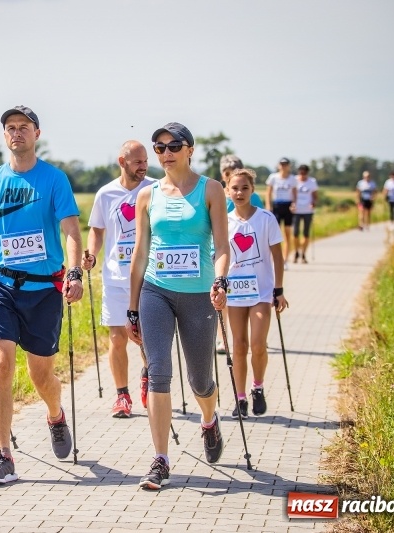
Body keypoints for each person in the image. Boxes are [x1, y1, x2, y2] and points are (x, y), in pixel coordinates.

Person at [0, 105, 84, 485]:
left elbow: (69, 230)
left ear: (37, 134)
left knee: (42, 375)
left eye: (24, 127)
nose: (17, 133)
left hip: (43, 290)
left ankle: (54, 414)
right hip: (0, 285)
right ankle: (3, 455)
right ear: (5, 136)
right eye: (10, 128)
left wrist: (75, 272)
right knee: (1, 364)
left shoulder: (54, 180)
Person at [127, 122, 229, 490]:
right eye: (159, 147)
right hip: (156, 291)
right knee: (159, 372)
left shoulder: (211, 190)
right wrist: (132, 307)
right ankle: (160, 459)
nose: (166, 153)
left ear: (190, 149)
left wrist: (220, 280)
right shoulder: (147, 195)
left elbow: (222, 247)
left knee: (200, 380)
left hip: (199, 294)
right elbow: (139, 255)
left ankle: (208, 419)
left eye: (173, 145)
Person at [83, 141, 154, 417]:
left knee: (147, 338)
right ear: (122, 162)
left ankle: (149, 375)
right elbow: (97, 231)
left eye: (145, 161)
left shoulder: (154, 189)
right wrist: (91, 253)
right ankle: (122, 396)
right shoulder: (106, 194)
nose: (143, 166)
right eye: (137, 161)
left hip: (148, 276)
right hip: (115, 276)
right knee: (117, 337)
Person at [225, 168, 288, 418]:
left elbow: (277, 257)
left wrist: (279, 290)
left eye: (244, 188)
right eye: (235, 188)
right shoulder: (224, 221)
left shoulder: (266, 219)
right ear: (227, 191)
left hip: (261, 291)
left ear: (253, 190)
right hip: (234, 292)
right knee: (238, 347)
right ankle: (240, 398)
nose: (239, 193)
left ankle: (257, 387)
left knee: (258, 344)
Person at [215, 154, 262, 355]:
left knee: (249, 298)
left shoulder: (254, 197)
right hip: (225, 254)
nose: (229, 177)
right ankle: (223, 338)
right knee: (223, 297)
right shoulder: (217, 194)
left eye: (233, 173)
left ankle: (256, 336)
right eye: (226, 174)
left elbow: (259, 222)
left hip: (247, 255)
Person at [265, 158, 297, 268]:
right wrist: (268, 206)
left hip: (287, 207)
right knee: (274, 235)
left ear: (289, 166)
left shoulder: (292, 179)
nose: (283, 166)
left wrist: (294, 203)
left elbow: (294, 193)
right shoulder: (273, 177)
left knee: (287, 234)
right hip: (277, 206)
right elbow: (268, 192)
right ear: (279, 166)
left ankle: (285, 260)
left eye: (286, 164)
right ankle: (273, 260)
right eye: (282, 164)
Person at [292, 165, 318, 263]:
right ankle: (296, 251)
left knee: (306, 234)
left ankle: (303, 253)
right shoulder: (294, 180)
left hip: (307, 211)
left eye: (304, 173)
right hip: (296, 211)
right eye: (301, 173)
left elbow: (315, 196)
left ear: (307, 173)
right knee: (295, 234)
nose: (302, 175)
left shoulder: (312, 182)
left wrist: (313, 203)